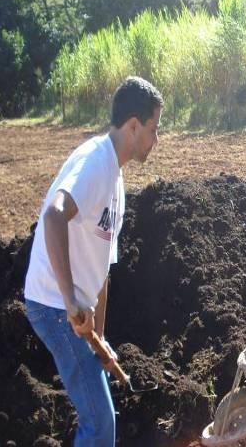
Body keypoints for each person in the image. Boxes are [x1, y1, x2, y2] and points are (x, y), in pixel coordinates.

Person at [24, 76, 163, 446]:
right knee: (100, 423)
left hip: (70, 312)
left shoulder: (116, 183)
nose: (156, 139)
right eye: (153, 129)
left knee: (100, 420)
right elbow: (53, 216)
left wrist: (98, 339)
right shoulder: (95, 162)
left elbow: (103, 270)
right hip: (53, 304)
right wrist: (70, 299)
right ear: (133, 125)